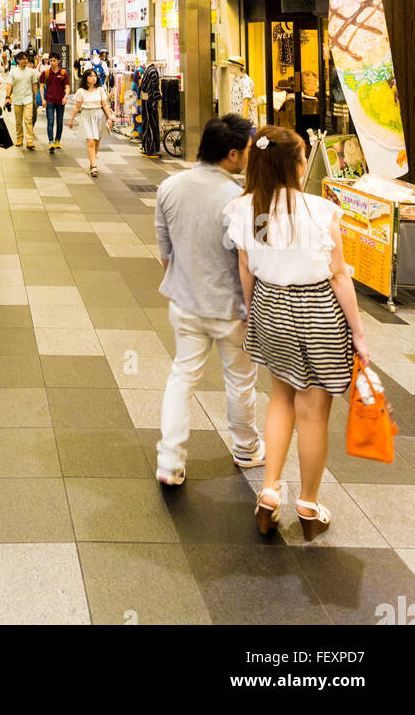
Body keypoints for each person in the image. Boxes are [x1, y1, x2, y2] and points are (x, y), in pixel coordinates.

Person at [225, 126, 369, 540]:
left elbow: (246, 269)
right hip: (318, 309)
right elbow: (339, 276)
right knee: (314, 409)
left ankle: (269, 491)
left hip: (270, 305)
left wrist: (253, 313)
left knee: (280, 396)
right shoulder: (320, 211)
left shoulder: (246, 209)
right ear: (297, 166)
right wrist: (358, 333)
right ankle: (308, 502)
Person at [154, 114, 261, 486]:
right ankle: (246, 448)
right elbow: (249, 263)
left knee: (182, 376)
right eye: (247, 150)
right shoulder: (241, 200)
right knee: (240, 380)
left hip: (184, 302)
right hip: (233, 309)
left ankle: (169, 461)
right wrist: (253, 309)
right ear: (232, 154)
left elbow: (165, 254)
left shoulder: (169, 187)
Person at [68, 67, 114, 177]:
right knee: (90, 142)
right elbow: (77, 107)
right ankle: (93, 166)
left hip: (99, 116)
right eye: (90, 76)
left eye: (94, 76)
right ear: (86, 78)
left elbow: (104, 105)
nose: (93, 78)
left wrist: (110, 117)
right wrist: (71, 119)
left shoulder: (100, 90)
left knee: (97, 141)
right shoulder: (81, 91)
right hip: (86, 116)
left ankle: (92, 159)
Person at [4, 51, 38, 151]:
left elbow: (34, 85)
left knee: (28, 119)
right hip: (17, 99)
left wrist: (37, 99)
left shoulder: (32, 72)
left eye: (26, 59)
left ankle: (29, 140)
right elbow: (9, 85)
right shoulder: (13, 72)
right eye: (23, 59)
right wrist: (7, 97)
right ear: (18, 60)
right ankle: (19, 139)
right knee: (18, 121)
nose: (25, 61)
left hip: (28, 99)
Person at [39, 54, 70, 152]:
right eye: (51, 60)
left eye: (54, 60)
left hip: (60, 101)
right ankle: (51, 141)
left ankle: (57, 140)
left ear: (58, 61)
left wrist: (66, 96)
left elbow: (67, 86)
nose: (52, 62)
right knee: (50, 121)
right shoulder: (46, 73)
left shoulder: (63, 73)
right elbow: (41, 86)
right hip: (49, 100)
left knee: (60, 122)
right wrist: (43, 99)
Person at [228, 55, 258, 130]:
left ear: (236, 67)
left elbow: (246, 103)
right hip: (237, 123)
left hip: (247, 125)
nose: (228, 67)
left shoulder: (246, 81)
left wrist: (243, 124)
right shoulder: (234, 80)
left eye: (230, 65)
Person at [139, 60, 162, 157]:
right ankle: (149, 146)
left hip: (149, 101)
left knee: (150, 123)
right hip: (147, 101)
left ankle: (151, 147)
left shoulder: (152, 71)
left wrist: (152, 101)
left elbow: (153, 87)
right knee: (148, 123)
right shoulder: (149, 70)